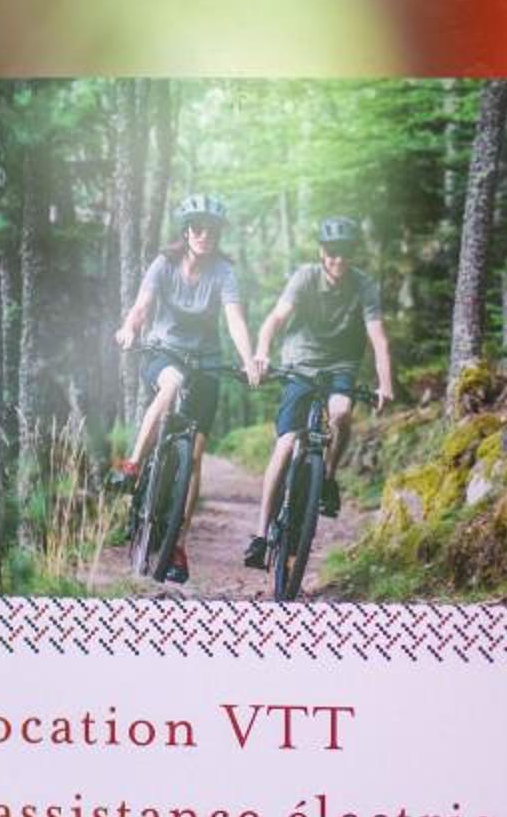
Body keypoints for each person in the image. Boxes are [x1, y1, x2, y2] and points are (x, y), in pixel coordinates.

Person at [113, 195, 258, 585]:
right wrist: (129, 328)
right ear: (186, 231)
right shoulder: (164, 264)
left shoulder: (224, 272)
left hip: (206, 363)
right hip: (163, 352)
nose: (204, 235)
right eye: (197, 228)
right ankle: (133, 465)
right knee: (172, 383)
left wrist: (248, 359)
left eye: (212, 230)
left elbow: (235, 319)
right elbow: (142, 307)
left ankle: (177, 544)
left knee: (194, 458)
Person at [245, 216, 393, 572]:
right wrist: (262, 352)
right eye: (332, 252)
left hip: (341, 364)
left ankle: (327, 477)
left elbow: (378, 338)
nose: (338, 259)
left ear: (352, 254)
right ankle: (261, 535)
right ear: (321, 253)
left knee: (341, 413)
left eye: (345, 252)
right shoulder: (305, 277)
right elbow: (275, 319)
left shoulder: (364, 285)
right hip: (300, 361)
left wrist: (385, 383)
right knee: (285, 444)